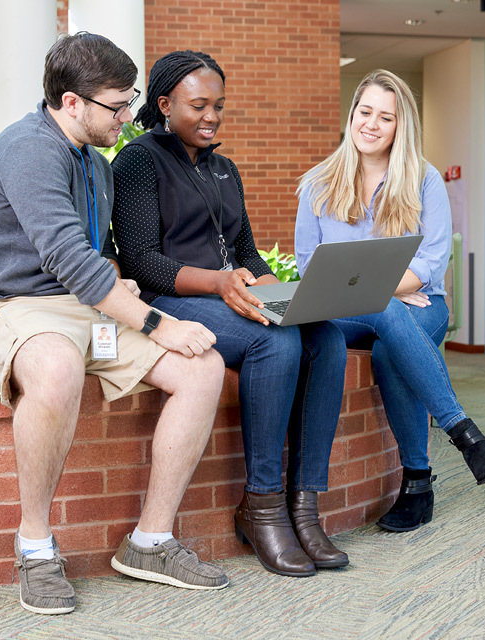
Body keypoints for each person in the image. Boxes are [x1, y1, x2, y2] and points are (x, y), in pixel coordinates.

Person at [0, 33, 230, 615]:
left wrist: (116, 281)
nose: (130, 117)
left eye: (130, 102)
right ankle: (35, 546)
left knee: (201, 367)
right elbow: (68, 260)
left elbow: (94, 259)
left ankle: (151, 541)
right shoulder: (30, 149)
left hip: (79, 307)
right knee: (55, 367)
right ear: (71, 103)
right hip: (6, 306)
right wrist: (159, 324)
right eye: (117, 105)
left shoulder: (94, 165)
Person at [111, 50, 349, 578]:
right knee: (276, 341)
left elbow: (246, 253)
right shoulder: (138, 161)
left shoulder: (225, 168)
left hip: (230, 295)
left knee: (326, 337)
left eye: (218, 105)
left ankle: (304, 506)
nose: (212, 117)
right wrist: (219, 283)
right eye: (198, 106)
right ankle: (261, 505)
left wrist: (273, 284)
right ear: (165, 103)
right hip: (171, 300)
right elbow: (141, 261)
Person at [295, 69, 485, 534]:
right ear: (352, 115)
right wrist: (386, 286)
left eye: (385, 117)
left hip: (422, 304)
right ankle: (462, 433)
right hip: (352, 311)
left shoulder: (424, 179)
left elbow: (430, 263)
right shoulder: (317, 184)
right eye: (365, 112)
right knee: (385, 307)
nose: (372, 124)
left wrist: (373, 287)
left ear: (400, 126)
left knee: (392, 340)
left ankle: (417, 481)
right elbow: (311, 268)